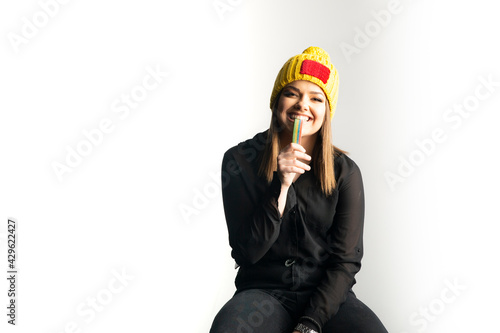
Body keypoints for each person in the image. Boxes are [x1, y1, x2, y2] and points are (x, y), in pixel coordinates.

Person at [210, 47, 387, 333]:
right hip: (262, 292)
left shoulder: (345, 171)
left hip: (327, 296)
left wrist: (311, 322)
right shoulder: (239, 160)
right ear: (277, 101)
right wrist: (281, 186)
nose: (303, 105)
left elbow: (346, 262)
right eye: (292, 93)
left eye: (316, 98)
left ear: (326, 111)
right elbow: (246, 252)